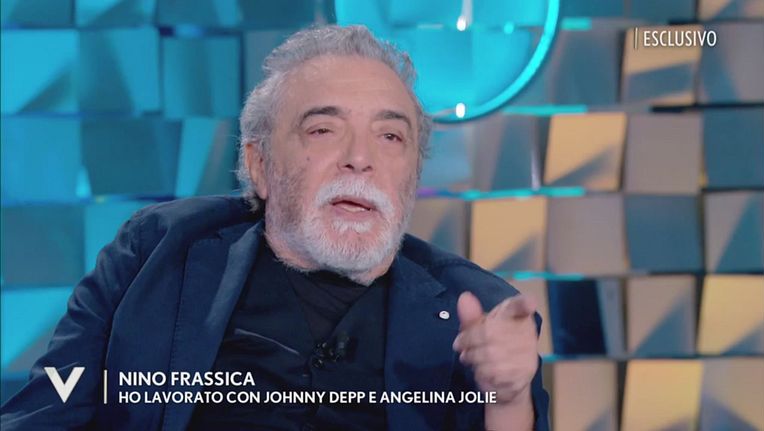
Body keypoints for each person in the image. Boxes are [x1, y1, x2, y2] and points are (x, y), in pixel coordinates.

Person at [0, 25, 549, 430]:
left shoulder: (480, 310)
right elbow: (44, 415)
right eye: (323, 130)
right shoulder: (156, 251)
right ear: (259, 164)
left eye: (390, 137)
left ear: (413, 176)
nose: (360, 159)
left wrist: (507, 402)